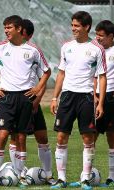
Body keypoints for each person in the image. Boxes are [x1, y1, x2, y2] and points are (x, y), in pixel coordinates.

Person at [0, 15, 51, 188]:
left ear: (19, 29)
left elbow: (47, 71)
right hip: (7, 97)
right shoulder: (0, 48)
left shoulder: (33, 50)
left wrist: (37, 89)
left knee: (21, 137)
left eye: (9, 27)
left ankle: (20, 176)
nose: (6, 31)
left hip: (25, 97)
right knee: (3, 135)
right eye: (5, 27)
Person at [50, 11, 107, 190]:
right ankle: (61, 179)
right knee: (61, 137)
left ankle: (85, 180)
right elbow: (61, 73)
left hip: (86, 97)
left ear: (86, 27)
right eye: (72, 25)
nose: (73, 29)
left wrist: (101, 102)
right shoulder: (66, 47)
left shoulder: (97, 49)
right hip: (67, 96)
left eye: (77, 26)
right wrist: (54, 97)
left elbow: (102, 77)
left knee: (88, 138)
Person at [8, 19, 55, 185]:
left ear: (23, 32)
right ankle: (17, 174)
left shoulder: (34, 51)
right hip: (16, 102)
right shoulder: (7, 50)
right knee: (16, 139)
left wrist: (37, 100)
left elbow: (44, 75)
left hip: (32, 102)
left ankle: (49, 175)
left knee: (42, 137)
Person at [93, 20, 114, 187]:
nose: (98, 38)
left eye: (101, 35)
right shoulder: (93, 50)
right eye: (96, 34)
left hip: (112, 97)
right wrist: (93, 94)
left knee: (112, 136)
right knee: (90, 134)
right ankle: (88, 173)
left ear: (111, 37)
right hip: (95, 96)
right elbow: (92, 74)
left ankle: (112, 176)